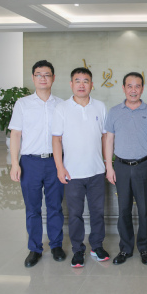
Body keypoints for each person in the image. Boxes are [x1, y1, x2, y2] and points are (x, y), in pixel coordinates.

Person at [8, 60, 65, 268]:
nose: (43, 78)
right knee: (32, 208)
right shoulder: (22, 104)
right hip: (30, 162)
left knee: (55, 206)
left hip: (55, 162)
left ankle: (56, 245)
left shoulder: (62, 104)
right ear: (33, 78)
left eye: (47, 74)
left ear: (53, 78)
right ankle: (35, 248)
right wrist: (15, 163)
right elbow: (15, 134)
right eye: (39, 74)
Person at [52, 67, 109, 268]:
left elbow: (105, 138)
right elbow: (56, 140)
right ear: (71, 84)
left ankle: (97, 246)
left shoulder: (100, 106)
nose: (82, 85)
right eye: (78, 81)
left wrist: (107, 163)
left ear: (92, 84)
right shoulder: (61, 108)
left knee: (97, 212)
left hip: (96, 171)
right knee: (75, 214)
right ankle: (78, 249)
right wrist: (60, 167)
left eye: (86, 81)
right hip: (72, 173)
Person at [104, 72, 147, 265]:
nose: (133, 90)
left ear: (142, 88)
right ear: (123, 88)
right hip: (121, 166)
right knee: (124, 210)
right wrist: (109, 166)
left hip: (144, 165)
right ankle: (125, 249)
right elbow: (109, 140)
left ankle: (144, 248)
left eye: (137, 86)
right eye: (130, 86)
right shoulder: (114, 112)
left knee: (144, 210)